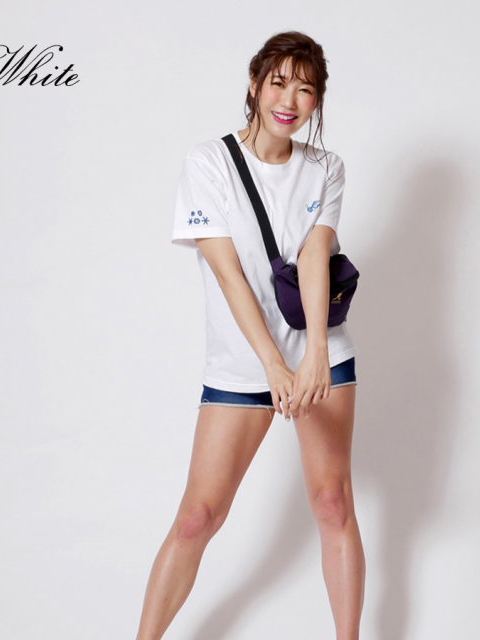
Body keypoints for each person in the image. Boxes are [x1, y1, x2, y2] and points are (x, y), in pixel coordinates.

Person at [135, 31, 366, 640]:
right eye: (278, 82)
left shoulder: (326, 168)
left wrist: (316, 354)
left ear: (318, 100)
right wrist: (274, 365)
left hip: (319, 357)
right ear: (255, 84)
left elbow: (315, 255)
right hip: (245, 363)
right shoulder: (208, 163)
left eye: (305, 89)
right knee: (198, 517)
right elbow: (229, 274)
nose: (289, 100)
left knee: (333, 503)